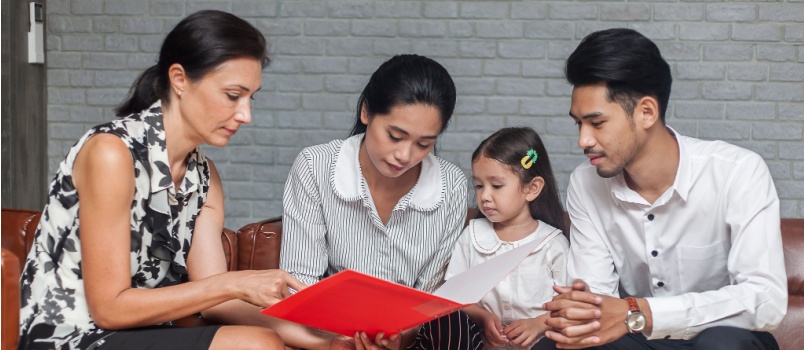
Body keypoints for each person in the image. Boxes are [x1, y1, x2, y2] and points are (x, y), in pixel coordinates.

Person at [18, 10, 305, 350]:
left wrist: (326, 339)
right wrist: (235, 282)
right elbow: (109, 309)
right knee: (256, 345)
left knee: (266, 341)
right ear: (180, 79)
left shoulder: (204, 176)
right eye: (233, 95)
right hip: (68, 336)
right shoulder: (111, 153)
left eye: (250, 98)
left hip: (143, 333)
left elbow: (217, 301)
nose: (245, 115)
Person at [542, 28, 787, 350]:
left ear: (646, 112)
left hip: (721, 335)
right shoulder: (586, 182)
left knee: (722, 343)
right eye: (579, 123)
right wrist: (579, 313)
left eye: (597, 123)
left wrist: (640, 312)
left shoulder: (737, 171)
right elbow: (595, 302)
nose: (583, 140)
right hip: (637, 339)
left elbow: (765, 300)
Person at [276, 54, 479, 349]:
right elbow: (299, 284)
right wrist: (337, 339)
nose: (405, 155)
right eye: (395, 136)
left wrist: (398, 338)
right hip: (326, 336)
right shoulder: (315, 167)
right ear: (366, 112)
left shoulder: (451, 187)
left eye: (424, 144)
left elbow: (430, 299)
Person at [446, 127, 569, 350]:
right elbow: (453, 296)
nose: (484, 196)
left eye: (497, 186)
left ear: (532, 188)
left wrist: (538, 324)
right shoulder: (472, 236)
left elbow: (568, 303)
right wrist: (481, 317)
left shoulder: (552, 244)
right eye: (479, 185)